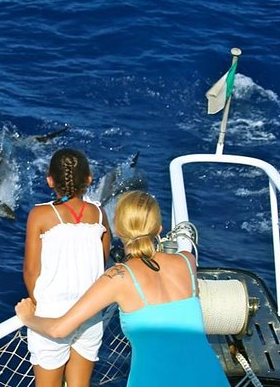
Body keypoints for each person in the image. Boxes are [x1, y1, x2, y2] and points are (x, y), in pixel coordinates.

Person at [17, 190, 230, 387]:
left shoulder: (118, 277)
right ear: (159, 229)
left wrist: (28, 317)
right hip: (210, 378)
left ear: (117, 230)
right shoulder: (187, 261)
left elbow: (59, 329)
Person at [23, 148, 112, 387]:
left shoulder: (39, 215)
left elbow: (31, 270)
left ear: (50, 180)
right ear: (89, 179)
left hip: (52, 317)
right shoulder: (99, 214)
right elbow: (102, 261)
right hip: (89, 314)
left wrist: (37, 303)